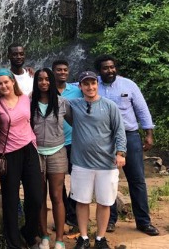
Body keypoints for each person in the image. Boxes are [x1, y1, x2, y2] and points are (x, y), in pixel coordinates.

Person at [94, 54, 159, 236]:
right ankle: (110, 220)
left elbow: (141, 108)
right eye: (106, 68)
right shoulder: (92, 85)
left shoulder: (128, 85)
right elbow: (65, 86)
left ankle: (143, 222)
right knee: (107, 180)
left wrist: (148, 133)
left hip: (130, 137)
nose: (110, 70)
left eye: (112, 67)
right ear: (99, 70)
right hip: (104, 138)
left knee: (137, 179)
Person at [69, 71, 126, 249]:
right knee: (81, 201)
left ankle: (100, 238)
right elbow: (54, 98)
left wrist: (120, 153)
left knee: (105, 201)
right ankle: (84, 237)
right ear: (80, 87)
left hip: (106, 164)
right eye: (86, 84)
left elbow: (119, 131)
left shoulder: (110, 106)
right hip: (81, 163)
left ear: (97, 84)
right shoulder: (73, 105)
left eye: (93, 83)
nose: (90, 87)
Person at [0, 68, 42, 249]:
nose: (3, 85)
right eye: (0, 83)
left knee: (36, 196)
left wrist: (36, 74)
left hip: (29, 149)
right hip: (9, 154)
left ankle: (29, 232)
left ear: (13, 82)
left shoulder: (25, 99)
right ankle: (13, 242)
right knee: (10, 200)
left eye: (6, 82)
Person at [31, 68, 72, 249]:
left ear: (52, 81)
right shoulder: (30, 103)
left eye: (47, 79)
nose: (44, 82)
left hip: (57, 152)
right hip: (36, 152)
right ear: (36, 82)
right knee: (40, 196)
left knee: (56, 196)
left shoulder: (62, 103)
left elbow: (75, 123)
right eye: (40, 79)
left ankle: (60, 239)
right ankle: (45, 236)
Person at [52, 60, 83, 228]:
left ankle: (73, 213)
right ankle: (62, 215)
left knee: (77, 178)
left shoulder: (77, 90)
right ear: (53, 72)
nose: (62, 72)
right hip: (55, 143)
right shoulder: (47, 90)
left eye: (65, 70)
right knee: (58, 182)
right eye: (58, 70)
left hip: (73, 141)